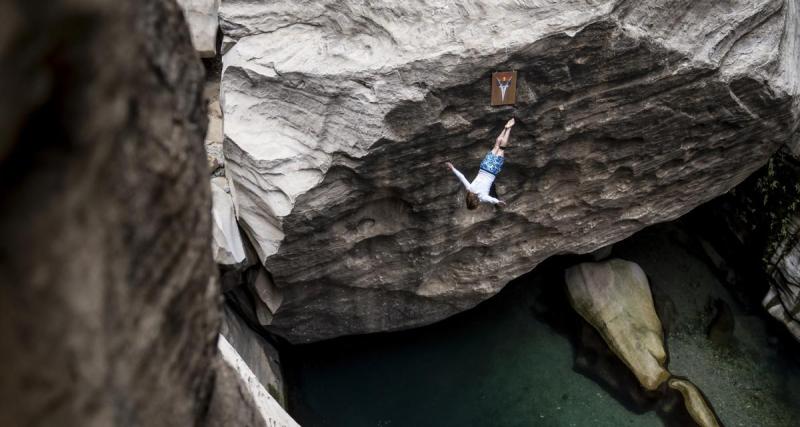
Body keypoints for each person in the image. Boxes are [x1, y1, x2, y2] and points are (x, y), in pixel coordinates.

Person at [446, 117, 514, 209]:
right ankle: (505, 128)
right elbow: (461, 177)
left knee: (502, 149)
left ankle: (509, 128)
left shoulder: (483, 198)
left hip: (492, 171)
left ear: (476, 203)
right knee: (497, 145)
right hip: (484, 167)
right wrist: (453, 168)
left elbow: (492, 200)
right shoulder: (469, 189)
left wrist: (499, 201)